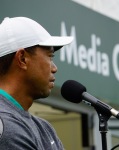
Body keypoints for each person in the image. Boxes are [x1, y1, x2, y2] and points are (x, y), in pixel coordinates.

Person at [0, 17, 73, 150]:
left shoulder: (45, 128)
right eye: (50, 56)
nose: (54, 68)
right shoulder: (6, 125)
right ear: (22, 59)